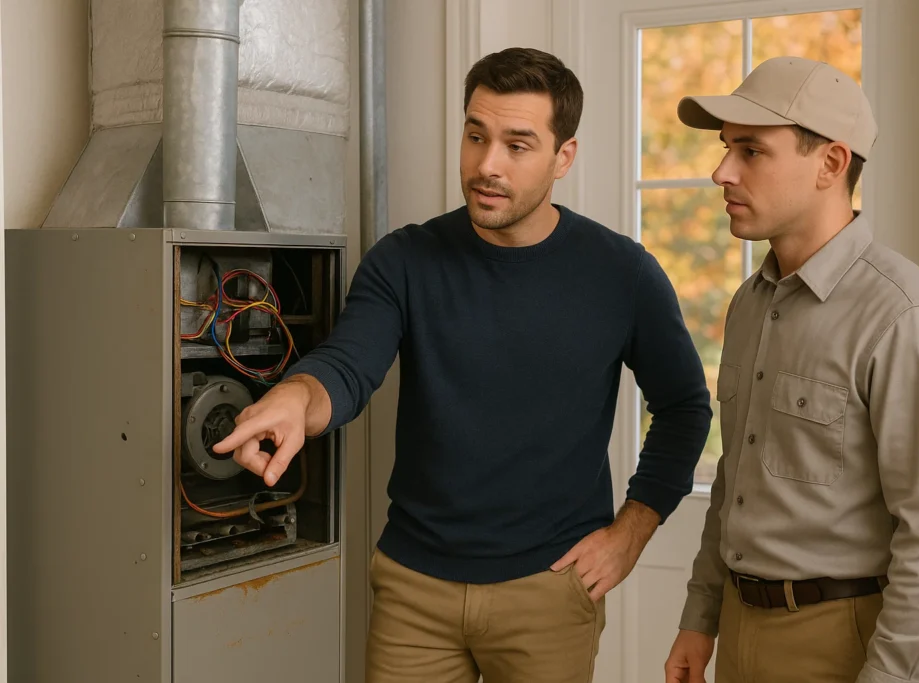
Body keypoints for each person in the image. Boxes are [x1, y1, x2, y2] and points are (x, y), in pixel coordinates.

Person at [214, 47, 713, 683]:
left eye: (517, 145)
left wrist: (632, 531)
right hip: (414, 590)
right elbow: (347, 364)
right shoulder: (404, 260)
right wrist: (295, 396)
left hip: (550, 588)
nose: (486, 165)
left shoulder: (623, 274)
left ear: (564, 157)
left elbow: (684, 409)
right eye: (476, 136)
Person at [663, 56, 919, 683]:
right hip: (738, 627)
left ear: (831, 164)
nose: (721, 172)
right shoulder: (750, 303)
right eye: (727, 148)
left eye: (751, 151)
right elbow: (735, 481)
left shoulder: (910, 318)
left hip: (846, 644)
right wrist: (700, 618)